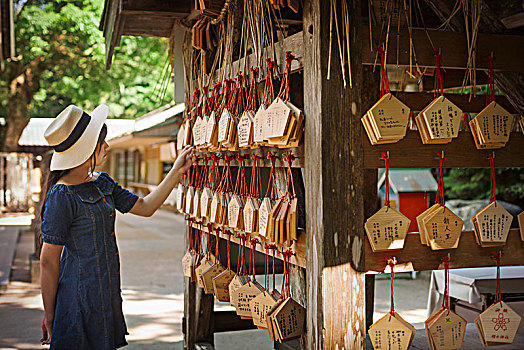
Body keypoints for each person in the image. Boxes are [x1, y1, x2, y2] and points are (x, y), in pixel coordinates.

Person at [39, 104, 194, 349]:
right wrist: (49, 313)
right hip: (78, 299)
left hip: (106, 293)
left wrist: (176, 170)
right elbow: (48, 260)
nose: (108, 147)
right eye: (101, 142)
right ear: (86, 148)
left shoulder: (102, 182)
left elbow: (144, 206)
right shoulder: (62, 195)